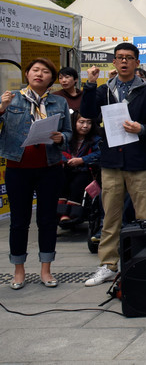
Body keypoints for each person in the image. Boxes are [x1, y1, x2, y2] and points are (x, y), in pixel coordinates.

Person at [81, 43, 146, 287]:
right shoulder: (104, 90)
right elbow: (87, 112)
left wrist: (142, 129)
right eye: (120, 58)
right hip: (111, 162)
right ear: (114, 63)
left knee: (145, 216)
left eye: (129, 58)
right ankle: (108, 264)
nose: (124, 61)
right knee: (110, 216)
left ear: (137, 62)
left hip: (140, 162)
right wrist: (90, 84)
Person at [0, 57, 72, 289]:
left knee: (47, 220)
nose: (39, 74)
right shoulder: (11, 98)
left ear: (52, 78)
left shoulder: (59, 102)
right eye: (35, 70)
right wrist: (1, 108)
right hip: (18, 168)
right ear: (27, 74)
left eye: (45, 71)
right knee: (19, 222)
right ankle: (18, 270)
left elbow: (69, 133)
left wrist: (61, 138)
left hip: (50, 167)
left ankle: (46, 269)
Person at [58, 112, 101, 226]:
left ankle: (70, 214)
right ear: (74, 123)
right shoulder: (66, 138)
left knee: (78, 182)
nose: (85, 126)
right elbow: (57, 151)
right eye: (81, 122)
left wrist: (82, 160)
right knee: (60, 180)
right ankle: (59, 212)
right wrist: (66, 160)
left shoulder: (95, 139)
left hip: (85, 171)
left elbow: (99, 153)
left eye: (89, 123)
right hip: (67, 170)